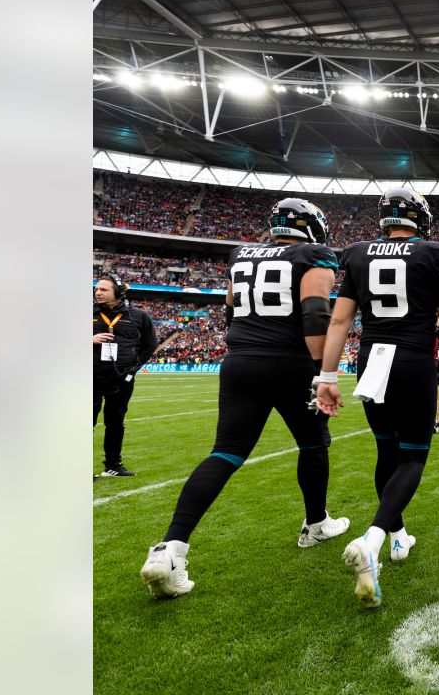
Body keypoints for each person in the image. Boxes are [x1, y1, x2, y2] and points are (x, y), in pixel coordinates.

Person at [140, 198, 350, 599]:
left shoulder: (241, 254)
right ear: (312, 227)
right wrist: (323, 373)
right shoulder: (313, 254)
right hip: (290, 363)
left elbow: (231, 309)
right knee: (313, 444)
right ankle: (316, 523)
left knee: (225, 453)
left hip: (240, 361)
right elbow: (314, 314)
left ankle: (171, 548)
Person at [315, 188, 439, 607]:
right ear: (420, 218)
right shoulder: (432, 254)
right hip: (412, 362)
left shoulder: (359, 253)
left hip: (372, 361)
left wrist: (327, 375)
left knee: (386, 453)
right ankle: (377, 537)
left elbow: (341, 318)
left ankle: (398, 536)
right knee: (414, 456)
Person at [93, 274, 157, 478]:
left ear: (118, 293)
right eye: (96, 289)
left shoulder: (138, 316)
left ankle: (113, 466)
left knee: (115, 422)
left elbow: (150, 346)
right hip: (89, 378)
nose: (97, 292)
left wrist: (133, 369)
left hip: (121, 380)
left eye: (103, 290)